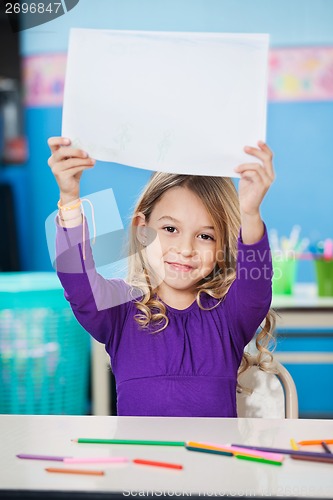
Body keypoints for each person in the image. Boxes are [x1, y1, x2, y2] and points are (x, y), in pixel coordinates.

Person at [47, 136, 276, 417]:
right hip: (138, 461)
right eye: (170, 229)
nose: (185, 249)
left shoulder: (228, 316)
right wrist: (69, 199)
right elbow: (78, 282)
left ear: (222, 246)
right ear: (142, 229)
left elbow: (256, 288)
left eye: (205, 236)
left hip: (213, 461)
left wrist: (250, 213)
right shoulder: (120, 313)